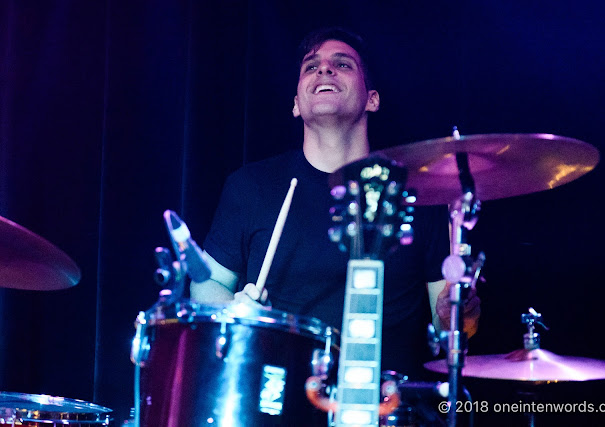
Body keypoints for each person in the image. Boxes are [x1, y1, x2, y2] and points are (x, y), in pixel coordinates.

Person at [190, 28, 480, 379]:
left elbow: (449, 324)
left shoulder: (419, 192)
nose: (324, 70)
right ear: (296, 104)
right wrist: (236, 311)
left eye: (342, 64)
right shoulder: (251, 186)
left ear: (372, 99)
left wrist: (458, 311)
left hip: (391, 404)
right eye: (311, 67)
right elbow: (206, 285)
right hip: (280, 398)